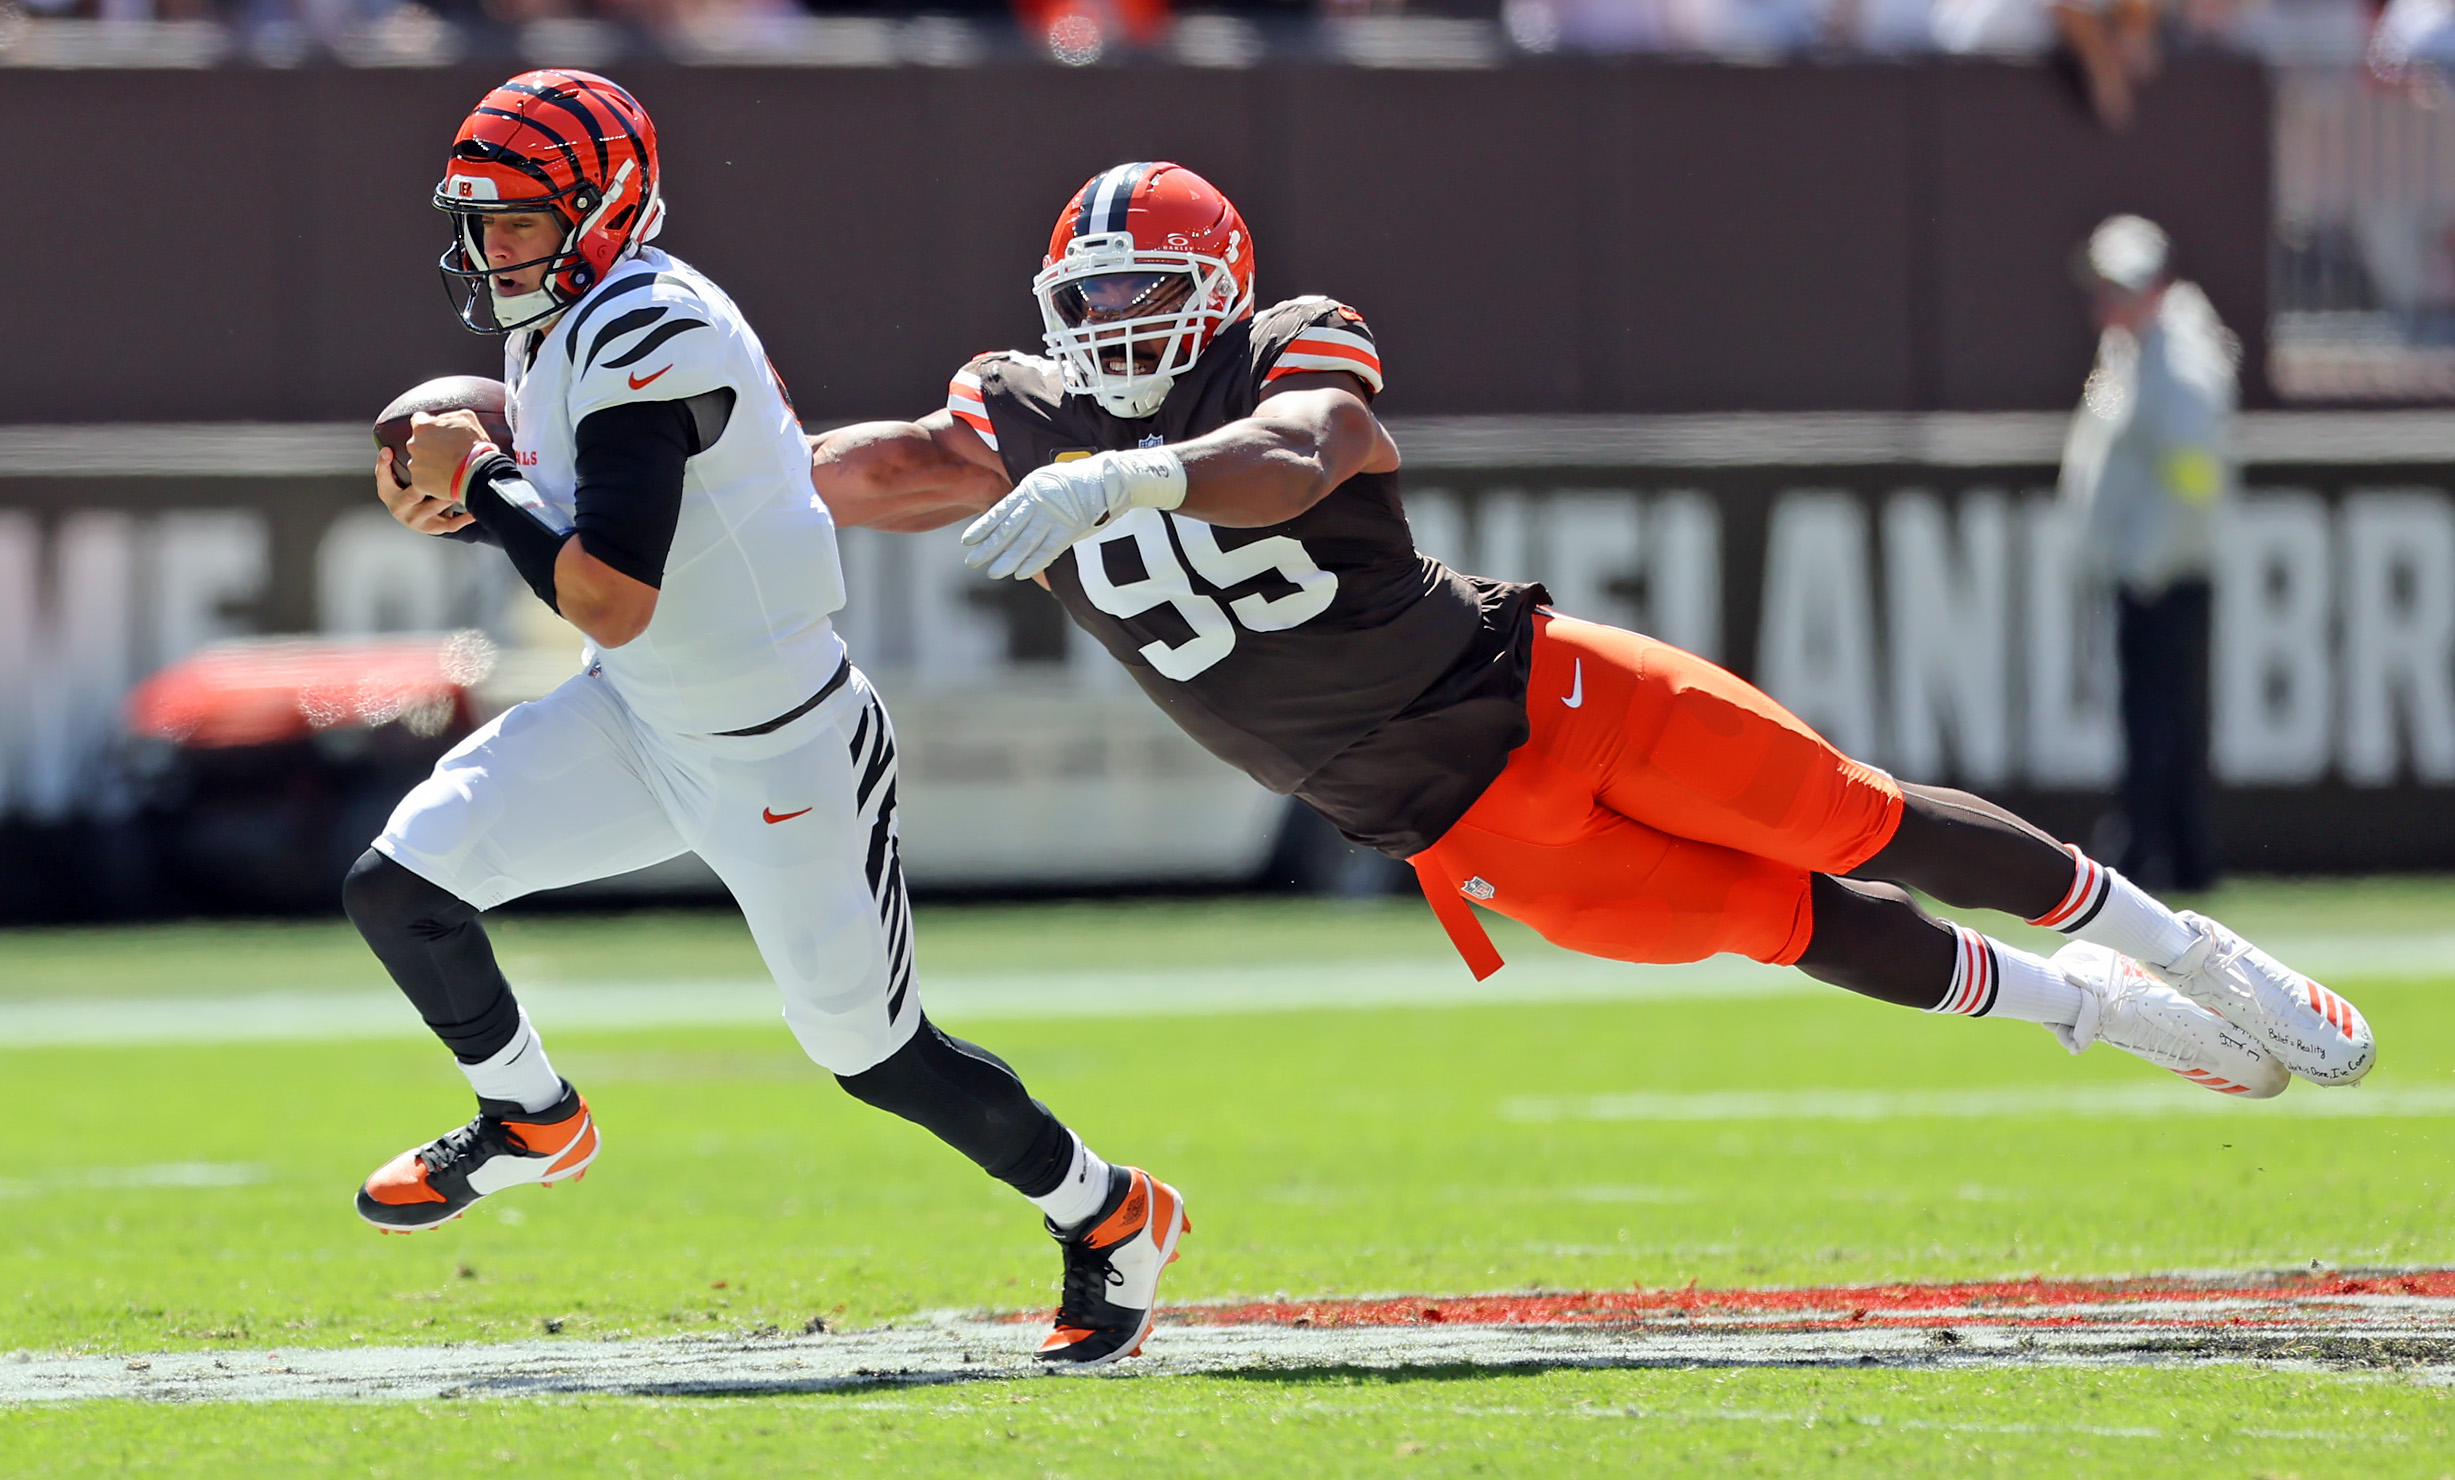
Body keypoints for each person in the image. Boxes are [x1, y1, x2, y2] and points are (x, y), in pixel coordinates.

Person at [809, 160, 2374, 1104]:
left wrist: (1132, 476)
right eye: (1089, 298)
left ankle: (2196, 952)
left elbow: (1304, 455)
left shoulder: (1284, 350)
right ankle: (2102, 1012)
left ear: (1219, 286)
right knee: (1789, 924)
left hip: (1534, 688)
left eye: (1145, 289)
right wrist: (705, 475)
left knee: (1845, 815)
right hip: (1448, 822)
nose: (1113, 326)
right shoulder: (1019, 414)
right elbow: (856, 470)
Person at [348, 73, 1185, 1371]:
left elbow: (610, 593)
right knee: (400, 887)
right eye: (478, 222)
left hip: (783, 746)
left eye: (518, 221)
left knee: (875, 1056)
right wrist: (482, 497)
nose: (491, 249)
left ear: (604, 211)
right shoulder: (567, 318)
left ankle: (1108, 1210)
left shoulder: (652, 328)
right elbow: (612, 554)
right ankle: (530, 1117)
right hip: (640, 717)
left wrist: (487, 479)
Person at [2061, 213, 2236, 894]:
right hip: (2143, 573)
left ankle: (2157, 850)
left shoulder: (2180, 366)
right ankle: (2166, 849)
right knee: (2154, 716)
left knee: (2162, 719)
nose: (2107, 305)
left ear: (2157, 288)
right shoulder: (2129, 356)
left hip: (2166, 577)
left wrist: (2151, 561)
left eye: (2122, 290)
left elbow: (2195, 477)